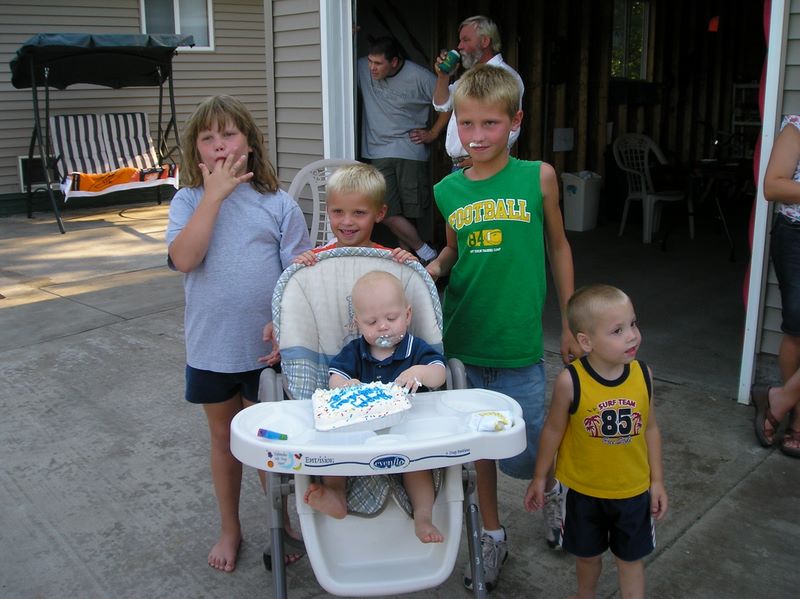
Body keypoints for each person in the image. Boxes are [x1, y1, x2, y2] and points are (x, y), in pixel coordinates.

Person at [425, 64, 581, 591]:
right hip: (463, 341)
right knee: (478, 449)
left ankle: (552, 486)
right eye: (466, 125)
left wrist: (571, 318)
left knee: (533, 441)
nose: (477, 136)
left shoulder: (538, 177)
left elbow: (558, 246)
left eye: (489, 124)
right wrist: (431, 270)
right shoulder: (447, 189)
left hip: (518, 342)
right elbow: (451, 248)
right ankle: (492, 534)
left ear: (514, 122)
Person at [166, 95, 312, 572]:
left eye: (228, 134)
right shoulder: (189, 200)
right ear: (196, 152)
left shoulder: (278, 203)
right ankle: (231, 527)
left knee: (272, 442)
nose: (219, 146)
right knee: (224, 440)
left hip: (267, 352)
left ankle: (282, 518)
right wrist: (213, 198)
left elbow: (297, 276)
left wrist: (287, 327)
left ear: (250, 142)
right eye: (207, 139)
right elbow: (185, 259)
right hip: (212, 348)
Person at [524, 284, 668, 599]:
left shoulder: (644, 375)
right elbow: (553, 430)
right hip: (581, 493)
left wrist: (656, 481)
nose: (632, 335)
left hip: (632, 491)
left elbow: (651, 429)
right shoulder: (571, 381)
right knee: (587, 556)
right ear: (586, 342)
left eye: (633, 324)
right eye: (617, 330)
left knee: (630, 560)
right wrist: (539, 476)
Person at [303, 270, 448, 543]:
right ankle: (335, 494)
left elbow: (440, 372)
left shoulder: (415, 349)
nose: (382, 327)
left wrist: (420, 372)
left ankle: (423, 516)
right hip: (360, 432)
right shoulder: (355, 351)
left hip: (407, 430)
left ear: (407, 315)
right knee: (334, 453)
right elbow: (335, 378)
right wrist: (345, 386)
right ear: (358, 323)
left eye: (391, 319)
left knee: (417, 466)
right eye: (371, 321)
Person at [357, 35, 447, 263]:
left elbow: (449, 104)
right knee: (384, 210)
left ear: (394, 62)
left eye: (378, 63)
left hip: (410, 151)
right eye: (370, 61)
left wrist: (433, 133)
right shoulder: (360, 68)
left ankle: (408, 264)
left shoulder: (420, 77)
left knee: (411, 214)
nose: (371, 68)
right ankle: (425, 251)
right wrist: (349, 32)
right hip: (378, 152)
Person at [753, 113, 800, 458]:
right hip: (796, 237)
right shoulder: (797, 127)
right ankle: (798, 417)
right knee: (797, 328)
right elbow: (773, 186)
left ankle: (781, 398)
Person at [432, 15, 525, 170]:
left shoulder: (507, 76)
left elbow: (511, 128)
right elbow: (442, 105)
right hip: (460, 165)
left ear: (485, 41)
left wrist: (480, 160)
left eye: (466, 40)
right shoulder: (469, 77)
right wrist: (443, 76)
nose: (459, 46)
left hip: (483, 164)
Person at [292, 162, 416, 265]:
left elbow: (412, 290)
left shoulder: (390, 261)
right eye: (338, 211)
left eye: (358, 212)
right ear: (327, 210)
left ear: (380, 213)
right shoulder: (316, 260)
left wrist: (408, 267)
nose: (347, 222)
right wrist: (302, 267)